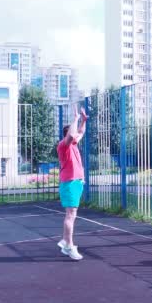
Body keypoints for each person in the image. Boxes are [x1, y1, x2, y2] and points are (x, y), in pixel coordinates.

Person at [56, 105, 88, 261]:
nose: (76, 135)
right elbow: (72, 135)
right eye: (73, 133)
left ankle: (64, 240)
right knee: (70, 215)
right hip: (69, 183)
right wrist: (76, 118)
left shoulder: (74, 143)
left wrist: (84, 120)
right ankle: (69, 247)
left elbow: (80, 132)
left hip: (76, 183)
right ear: (68, 134)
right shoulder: (63, 146)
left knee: (72, 214)